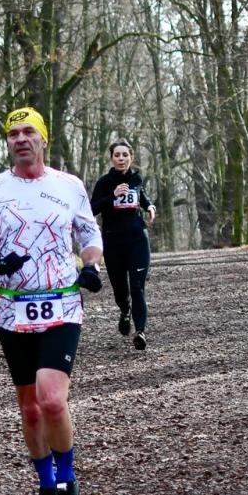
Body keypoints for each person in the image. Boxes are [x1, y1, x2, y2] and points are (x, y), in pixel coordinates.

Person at [0, 105, 104, 495]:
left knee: (52, 400)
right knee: (31, 410)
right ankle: (44, 486)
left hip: (61, 304)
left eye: (28, 132)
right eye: (12, 133)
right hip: (12, 309)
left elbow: (89, 236)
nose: (20, 139)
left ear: (43, 138)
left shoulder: (69, 186)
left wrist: (91, 265)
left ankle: (67, 482)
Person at [88, 140, 156, 351]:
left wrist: (149, 206)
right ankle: (125, 310)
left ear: (131, 158)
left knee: (138, 287)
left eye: (125, 155)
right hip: (113, 240)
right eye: (117, 155)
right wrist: (112, 196)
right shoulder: (104, 182)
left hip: (137, 239)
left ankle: (141, 331)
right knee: (120, 289)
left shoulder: (136, 178)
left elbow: (141, 196)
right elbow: (92, 209)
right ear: (112, 158)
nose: (121, 159)